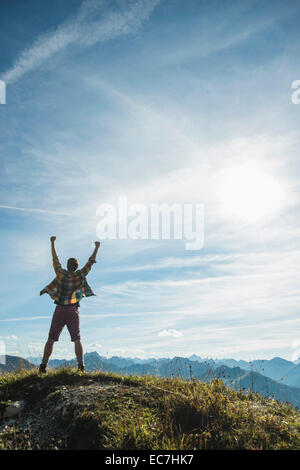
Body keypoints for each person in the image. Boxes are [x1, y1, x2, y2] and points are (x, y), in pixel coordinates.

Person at [39, 236, 100, 373]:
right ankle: (81, 366)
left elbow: (55, 259)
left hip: (59, 309)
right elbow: (91, 262)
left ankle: (43, 366)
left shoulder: (60, 273)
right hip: (73, 311)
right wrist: (96, 247)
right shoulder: (80, 275)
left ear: (67, 265)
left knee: (51, 338)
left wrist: (52, 243)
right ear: (77, 266)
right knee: (77, 338)